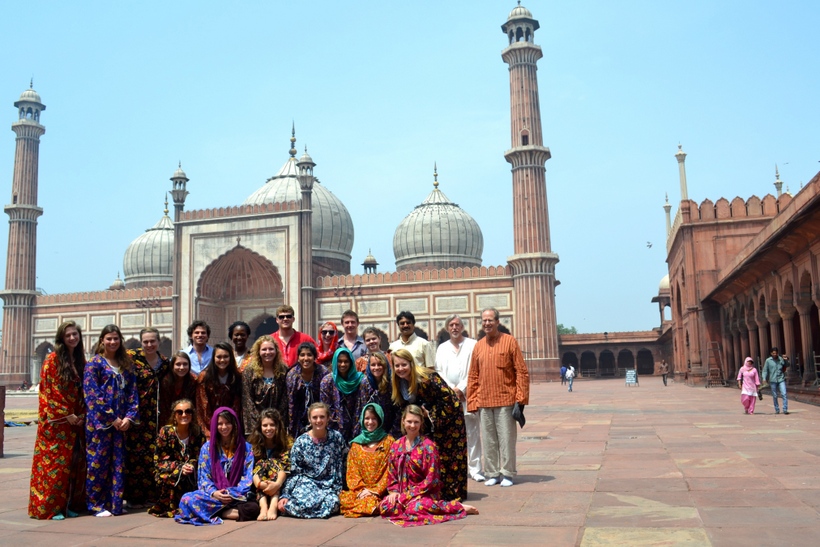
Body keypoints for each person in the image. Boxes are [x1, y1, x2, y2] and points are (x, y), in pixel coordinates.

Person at [379, 405, 477, 527]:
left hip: (423, 494)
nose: (412, 426)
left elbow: (432, 479)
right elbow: (392, 474)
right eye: (409, 421)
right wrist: (393, 492)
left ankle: (456, 507)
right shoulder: (396, 445)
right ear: (403, 421)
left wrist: (409, 495)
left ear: (421, 423)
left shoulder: (429, 447)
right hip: (401, 495)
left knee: (416, 508)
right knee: (385, 506)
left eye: (416, 422)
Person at [391, 348, 468, 501]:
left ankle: (452, 495)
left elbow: (451, 400)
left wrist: (430, 413)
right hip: (427, 425)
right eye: (397, 366)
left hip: (448, 424)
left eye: (404, 365)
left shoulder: (427, 378)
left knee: (447, 459)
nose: (401, 369)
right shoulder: (400, 384)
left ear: (411, 364)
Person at [29, 321, 87, 520]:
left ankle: (66, 505)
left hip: (75, 423)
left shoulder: (79, 360)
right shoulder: (52, 359)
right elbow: (49, 390)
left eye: (75, 334)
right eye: (68, 335)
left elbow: (82, 390)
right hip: (56, 424)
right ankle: (50, 508)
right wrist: (66, 414)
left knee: (72, 467)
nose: (72, 338)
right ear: (62, 338)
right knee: (54, 466)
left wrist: (80, 415)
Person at [467, 308, 530, 488]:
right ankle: (492, 472)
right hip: (484, 401)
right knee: (489, 440)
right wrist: (472, 401)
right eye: (484, 321)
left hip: (506, 400)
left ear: (497, 322)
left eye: (490, 320)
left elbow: (521, 372)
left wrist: (521, 398)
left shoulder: (509, 341)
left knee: (506, 439)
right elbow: (473, 375)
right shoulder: (478, 346)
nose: (487, 323)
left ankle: (508, 473)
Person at [84, 324, 139, 517]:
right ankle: (96, 504)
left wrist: (129, 418)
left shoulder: (126, 364)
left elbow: (133, 393)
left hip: (121, 425)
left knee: (118, 464)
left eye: (116, 338)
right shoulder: (94, 364)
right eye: (109, 339)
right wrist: (112, 418)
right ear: (102, 341)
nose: (113, 342)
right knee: (97, 463)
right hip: (101, 425)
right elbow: (93, 396)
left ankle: (114, 503)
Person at [175, 407, 258, 525]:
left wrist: (231, 493)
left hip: (236, 496)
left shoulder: (246, 448)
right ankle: (224, 512)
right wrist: (215, 493)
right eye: (220, 424)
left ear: (234, 424)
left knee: (253, 508)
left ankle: (214, 512)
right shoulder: (207, 448)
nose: (224, 427)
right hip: (213, 497)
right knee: (187, 499)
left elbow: (247, 476)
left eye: (227, 423)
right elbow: (204, 477)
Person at [125, 327, 171, 507]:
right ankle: (134, 497)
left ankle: (153, 495)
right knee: (135, 456)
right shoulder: (131, 358)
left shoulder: (165, 363)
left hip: (157, 417)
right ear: (141, 342)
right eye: (146, 341)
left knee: (155, 455)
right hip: (136, 415)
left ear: (159, 342)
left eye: (153, 341)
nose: (149, 345)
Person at [435, 314, 484, 482]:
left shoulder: (472, 345)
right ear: (447, 328)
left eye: (457, 325)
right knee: (452, 435)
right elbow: (439, 371)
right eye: (451, 325)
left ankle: (475, 469)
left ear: (462, 327)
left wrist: (461, 388)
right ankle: (455, 469)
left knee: (472, 434)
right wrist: (451, 390)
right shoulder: (442, 348)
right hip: (449, 398)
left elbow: (475, 369)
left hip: (468, 395)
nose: (454, 327)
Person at [278, 402, 345, 518]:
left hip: (328, 485)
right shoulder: (301, 442)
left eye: (322, 417)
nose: (318, 420)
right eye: (315, 417)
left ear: (328, 418)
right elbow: (294, 471)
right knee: (297, 504)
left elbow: (344, 462)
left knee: (333, 503)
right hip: (306, 484)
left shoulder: (336, 438)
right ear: (309, 419)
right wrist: (285, 495)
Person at [149, 399, 206, 517]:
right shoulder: (166, 432)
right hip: (169, 472)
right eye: (179, 412)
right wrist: (180, 467)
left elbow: (199, 456)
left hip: (190, 474)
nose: (184, 415)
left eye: (188, 411)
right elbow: (159, 460)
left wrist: (190, 465)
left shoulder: (197, 432)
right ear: (174, 415)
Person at [340, 402, 394, 517]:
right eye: (367, 418)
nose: (370, 422)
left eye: (374, 418)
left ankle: (371, 506)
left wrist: (375, 490)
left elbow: (390, 470)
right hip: (361, 492)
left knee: (386, 503)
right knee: (343, 499)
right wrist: (362, 490)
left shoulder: (389, 442)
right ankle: (370, 506)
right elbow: (352, 472)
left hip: (380, 491)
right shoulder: (356, 444)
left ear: (380, 420)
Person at [248, 408, 291, 521]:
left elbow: (286, 468)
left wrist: (276, 484)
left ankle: (273, 504)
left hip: (280, 482)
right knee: (262, 463)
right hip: (259, 484)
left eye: (272, 425)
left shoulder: (286, 443)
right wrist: (260, 484)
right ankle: (263, 507)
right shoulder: (253, 445)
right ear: (260, 427)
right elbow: (251, 469)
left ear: (278, 426)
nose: (268, 429)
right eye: (265, 425)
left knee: (272, 462)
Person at [242, 334, 289, 436]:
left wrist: (275, 421)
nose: (268, 352)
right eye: (264, 349)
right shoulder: (249, 371)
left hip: (277, 423)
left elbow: (285, 399)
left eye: (271, 349)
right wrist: (260, 422)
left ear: (276, 351)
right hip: (256, 424)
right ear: (258, 351)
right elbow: (247, 401)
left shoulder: (283, 370)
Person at [196, 342, 243, 438]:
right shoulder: (205, 377)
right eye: (219, 357)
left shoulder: (237, 377)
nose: (222, 360)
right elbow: (203, 407)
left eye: (226, 357)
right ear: (213, 358)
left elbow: (237, 405)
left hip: (231, 426)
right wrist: (211, 430)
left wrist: (230, 425)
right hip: (210, 427)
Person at [286, 342, 330, 439]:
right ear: (298, 358)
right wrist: (292, 428)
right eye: (302, 355)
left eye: (309, 355)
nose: (306, 358)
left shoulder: (323, 372)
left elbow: (326, 400)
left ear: (315, 357)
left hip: (319, 417)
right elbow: (291, 404)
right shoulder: (292, 375)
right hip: (298, 419)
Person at [320, 347, 365, 442]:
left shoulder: (361, 380)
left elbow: (363, 406)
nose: (343, 364)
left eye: (346, 361)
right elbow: (326, 408)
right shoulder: (327, 381)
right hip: (335, 429)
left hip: (358, 427)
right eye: (339, 361)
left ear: (351, 362)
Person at [357, 351, 401, 437]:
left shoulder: (392, 383)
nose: (376, 367)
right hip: (370, 427)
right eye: (373, 365)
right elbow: (362, 408)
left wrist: (392, 434)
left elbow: (398, 409)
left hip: (390, 428)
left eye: (380, 364)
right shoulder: (365, 383)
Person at [158, 352, 198, 428]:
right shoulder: (166, 381)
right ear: (172, 366)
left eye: (185, 364)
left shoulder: (193, 381)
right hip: (168, 420)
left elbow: (194, 405)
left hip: (187, 419)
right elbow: (164, 407)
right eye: (178, 364)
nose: (182, 367)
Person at [762, 347, 789, 415]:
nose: (775, 354)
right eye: (773, 353)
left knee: (784, 394)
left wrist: (786, 360)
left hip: (781, 379)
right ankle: (777, 409)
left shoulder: (780, 359)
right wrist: (764, 379)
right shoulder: (768, 361)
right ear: (771, 353)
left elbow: (787, 365)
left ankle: (785, 409)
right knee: (775, 395)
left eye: (776, 353)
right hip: (773, 380)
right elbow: (765, 370)